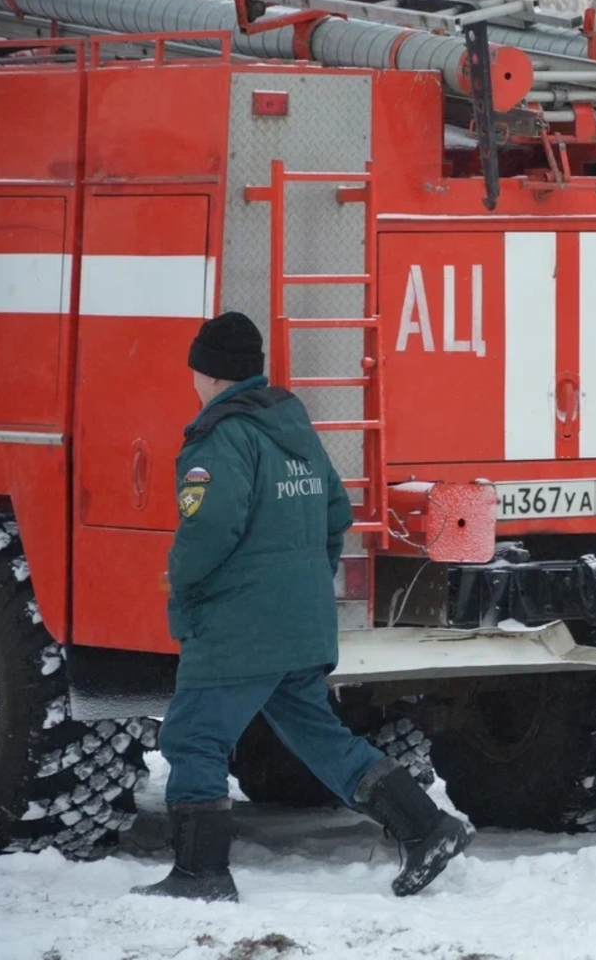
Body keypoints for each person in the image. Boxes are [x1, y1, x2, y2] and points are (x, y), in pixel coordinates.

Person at [132, 312, 472, 902]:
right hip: (299, 621)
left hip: (241, 626)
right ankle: (426, 826)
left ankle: (200, 874)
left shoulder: (219, 438)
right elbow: (336, 515)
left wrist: (183, 585)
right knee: (319, 736)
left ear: (210, 374)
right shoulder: (294, 427)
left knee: (193, 738)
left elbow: (209, 529)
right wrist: (304, 580)